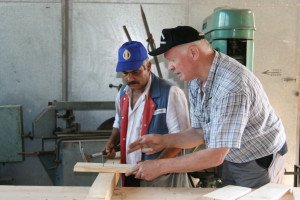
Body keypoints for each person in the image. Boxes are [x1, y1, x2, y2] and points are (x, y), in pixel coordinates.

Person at [126, 26, 288, 188]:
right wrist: (163, 141)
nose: (170, 67)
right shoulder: (196, 79)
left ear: (194, 53)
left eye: (172, 60)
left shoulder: (232, 86)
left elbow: (215, 155)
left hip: (258, 158)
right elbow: (200, 132)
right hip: (232, 155)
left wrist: (160, 166)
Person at [104, 41, 191, 187]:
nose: (130, 78)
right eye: (125, 73)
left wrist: (156, 166)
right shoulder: (122, 94)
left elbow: (182, 141)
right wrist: (112, 141)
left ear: (148, 67)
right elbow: (118, 122)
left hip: (162, 179)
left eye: (136, 72)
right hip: (129, 171)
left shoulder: (170, 93)